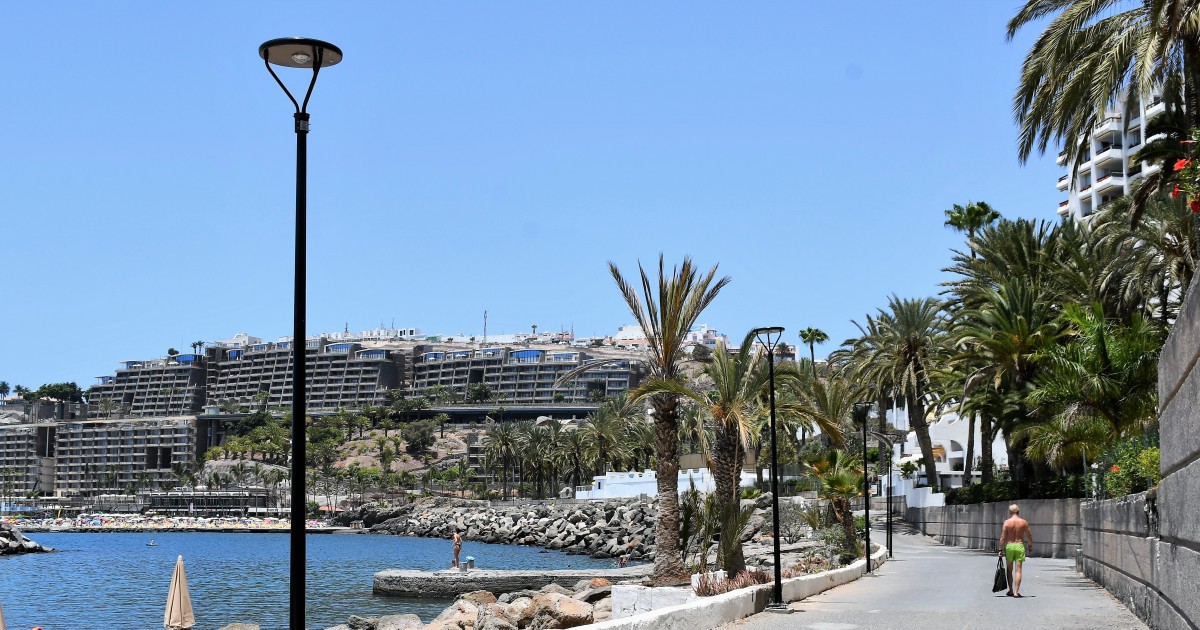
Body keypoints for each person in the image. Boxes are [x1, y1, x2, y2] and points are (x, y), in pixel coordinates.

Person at [998, 503, 1034, 597]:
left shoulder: (1007, 522)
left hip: (1010, 546)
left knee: (1009, 570)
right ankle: (1016, 592)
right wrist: (1030, 545)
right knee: (1018, 570)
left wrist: (1000, 550)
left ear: (1010, 512)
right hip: (1019, 546)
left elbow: (1003, 537)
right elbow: (1029, 535)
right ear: (1018, 511)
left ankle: (1010, 590)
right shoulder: (1023, 522)